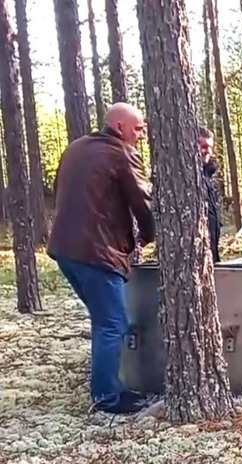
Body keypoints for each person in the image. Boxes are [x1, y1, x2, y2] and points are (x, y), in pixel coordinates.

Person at [47, 102, 156, 415]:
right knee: (112, 323)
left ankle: (111, 387)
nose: (142, 135)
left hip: (66, 250)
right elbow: (143, 202)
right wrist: (147, 236)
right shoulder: (121, 153)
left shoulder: (76, 148)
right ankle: (106, 398)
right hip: (97, 252)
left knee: (104, 321)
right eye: (138, 129)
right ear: (119, 127)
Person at [198, 126, 222, 263]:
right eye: (203, 146)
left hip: (212, 253)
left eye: (210, 147)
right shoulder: (188, 179)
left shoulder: (208, 177)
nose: (207, 151)